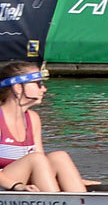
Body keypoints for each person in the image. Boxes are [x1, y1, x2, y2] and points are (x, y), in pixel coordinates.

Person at [0, 62, 89, 192]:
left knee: (59, 157)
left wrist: (70, 178)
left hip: (22, 181)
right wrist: (16, 185)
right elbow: (37, 160)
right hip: (6, 184)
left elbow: (43, 163)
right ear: (18, 87)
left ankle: (79, 198)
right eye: (38, 84)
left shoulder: (33, 118)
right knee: (35, 158)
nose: (44, 89)